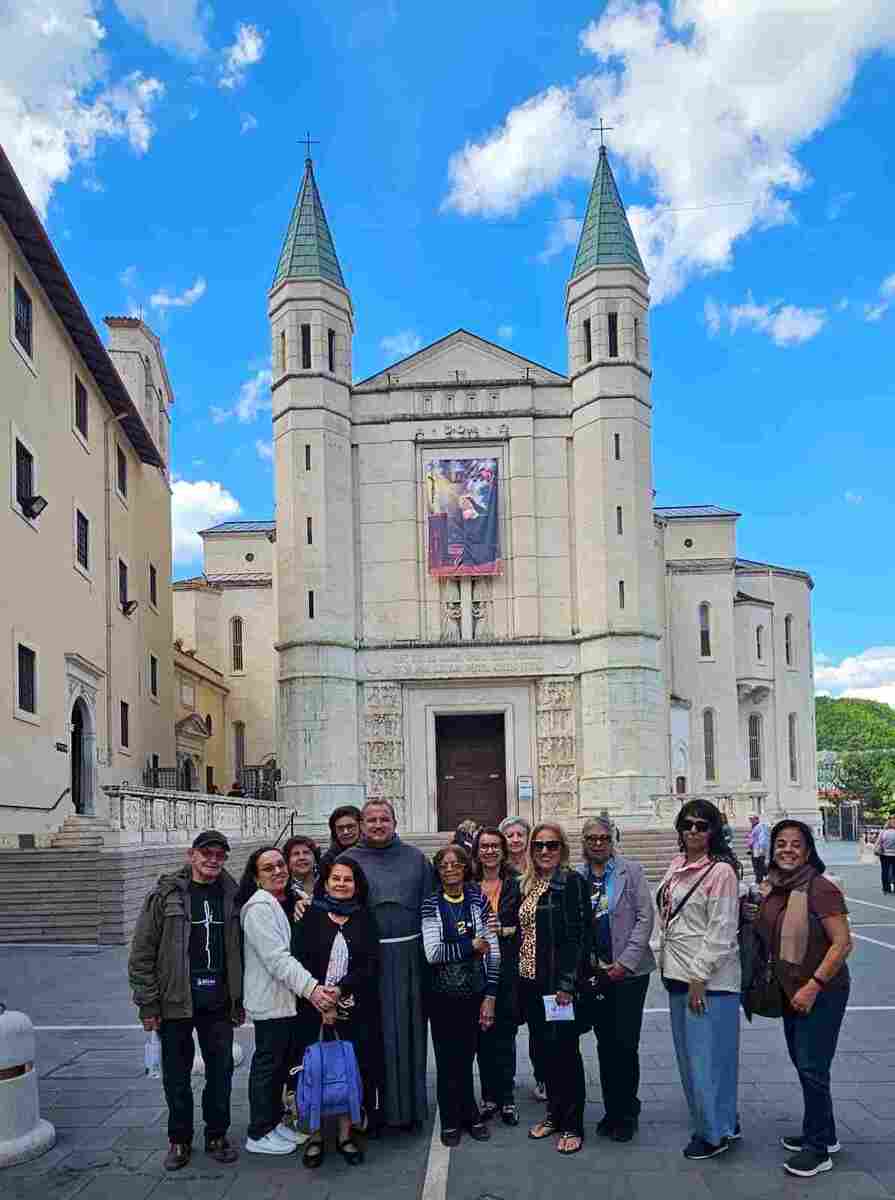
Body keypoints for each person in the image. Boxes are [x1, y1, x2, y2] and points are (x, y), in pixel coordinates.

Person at [128, 830, 244, 1172]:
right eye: (206, 853)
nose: (213, 860)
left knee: (221, 1072)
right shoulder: (165, 896)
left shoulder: (232, 895)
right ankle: (179, 1139)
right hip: (175, 1002)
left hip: (219, 1001)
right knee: (176, 1076)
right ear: (191, 854)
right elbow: (142, 952)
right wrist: (147, 1004)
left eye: (219, 855)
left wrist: (239, 998)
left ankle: (216, 1135)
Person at [752, 821, 852, 1178]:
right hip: (790, 990)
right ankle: (823, 1131)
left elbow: (842, 943)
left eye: (796, 844)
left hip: (820, 991)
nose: (787, 850)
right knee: (805, 1063)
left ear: (808, 851)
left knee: (812, 1066)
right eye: (781, 843)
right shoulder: (777, 888)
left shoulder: (820, 888)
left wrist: (813, 986)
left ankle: (818, 1148)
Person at [339, 799, 434, 1130]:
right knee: (371, 1038)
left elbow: (429, 908)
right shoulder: (348, 861)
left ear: (395, 822)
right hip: (367, 962)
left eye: (384, 819)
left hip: (408, 959)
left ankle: (409, 1109)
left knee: (409, 1036)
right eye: (371, 820)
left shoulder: (415, 859)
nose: (378, 825)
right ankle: (372, 1111)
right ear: (362, 824)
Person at [236, 846, 336, 1156]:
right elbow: (277, 959)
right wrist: (314, 989)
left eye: (280, 865)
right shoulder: (259, 908)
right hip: (272, 1001)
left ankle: (275, 1122)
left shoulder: (289, 900)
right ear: (256, 877)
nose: (278, 871)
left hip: (290, 1001)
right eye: (269, 868)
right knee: (267, 1066)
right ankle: (258, 1131)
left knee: (281, 1067)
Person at [656, 800, 741, 1160]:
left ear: (714, 831)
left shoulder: (721, 871)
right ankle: (724, 1122)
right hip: (677, 974)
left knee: (706, 1061)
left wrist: (698, 977)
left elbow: (722, 930)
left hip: (707, 982)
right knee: (694, 1059)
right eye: (687, 824)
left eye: (702, 826)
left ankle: (711, 1135)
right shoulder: (677, 865)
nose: (693, 831)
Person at [291, 857, 381, 1167]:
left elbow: (370, 963)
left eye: (348, 880)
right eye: (336, 879)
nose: (341, 884)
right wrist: (319, 995)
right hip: (311, 1005)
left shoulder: (364, 918)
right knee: (314, 1071)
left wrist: (341, 990)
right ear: (326, 882)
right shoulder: (310, 915)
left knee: (347, 1070)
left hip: (353, 1007)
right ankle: (315, 1136)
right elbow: (297, 958)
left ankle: (344, 1135)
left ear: (357, 885)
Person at [575, 816, 655, 1142]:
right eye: (591, 838)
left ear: (612, 840)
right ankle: (613, 1109)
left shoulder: (630, 871)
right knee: (606, 1044)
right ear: (583, 842)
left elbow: (645, 918)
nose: (597, 843)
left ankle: (626, 1113)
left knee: (625, 1044)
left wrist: (624, 963)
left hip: (629, 974)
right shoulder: (576, 877)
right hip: (595, 974)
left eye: (603, 838)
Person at [422, 844, 500, 1147]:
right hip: (442, 995)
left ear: (466, 867)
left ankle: (470, 1113)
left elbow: (491, 950)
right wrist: (470, 947)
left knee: (467, 1057)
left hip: (474, 991)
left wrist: (491, 994)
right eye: (444, 865)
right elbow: (432, 953)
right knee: (447, 1059)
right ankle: (451, 1118)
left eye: (456, 864)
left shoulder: (478, 899)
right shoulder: (431, 905)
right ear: (438, 870)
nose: (450, 869)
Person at [520, 822, 589, 1155]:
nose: (545, 851)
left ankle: (573, 1124)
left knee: (565, 1053)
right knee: (545, 1053)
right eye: (538, 846)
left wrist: (567, 983)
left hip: (557, 987)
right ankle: (554, 1115)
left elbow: (578, 937)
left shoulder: (571, 882)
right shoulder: (530, 884)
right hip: (532, 983)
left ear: (562, 848)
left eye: (551, 845)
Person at [472, 827, 521, 1125]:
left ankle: (507, 1097)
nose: (489, 851)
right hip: (475, 968)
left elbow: (526, 923)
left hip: (507, 968)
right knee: (482, 1034)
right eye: (484, 846)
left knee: (505, 1033)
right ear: (477, 851)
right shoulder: (468, 884)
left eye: (495, 846)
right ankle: (488, 1096)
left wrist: (503, 928)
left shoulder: (516, 884)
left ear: (503, 851)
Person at [498, 815, 544, 1101]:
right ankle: (507, 1077)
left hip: (536, 955)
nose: (515, 840)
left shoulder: (540, 868)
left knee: (539, 1023)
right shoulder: (497, 872)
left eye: (519, 835)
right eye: (510, 835)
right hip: (506, 957)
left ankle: (543, 1076)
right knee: (507, 1023)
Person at [319, 806, 363, 871]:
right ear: (334, 831)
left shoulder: (372, 853)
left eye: (350, 827)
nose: (345, 832)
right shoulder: (327, 860)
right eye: (340, 828)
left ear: (361, 826)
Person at [282, 835, 320, 904]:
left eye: (306, 852)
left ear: (314, 858)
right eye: (296, 854)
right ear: (288, 861)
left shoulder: (328, 879)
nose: (302, 857)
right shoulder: (283, 889)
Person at [873, 817, 895, 894]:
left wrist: (876, 850)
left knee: (884, 871)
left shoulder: (883, 832)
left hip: (884, 854)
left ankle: (886, 888)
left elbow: (878, 843)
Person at [748, 814, 771, 884]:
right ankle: (765, 876)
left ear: (756, 819)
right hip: (755, 847)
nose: (750, 820)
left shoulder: (760, 826)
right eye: (750, 819)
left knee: (758, 864)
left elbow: (762, 838)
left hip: (758, 848)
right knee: (758, 864)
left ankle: (759, 880)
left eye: (752, 819)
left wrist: (761, 848)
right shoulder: (754, 826)